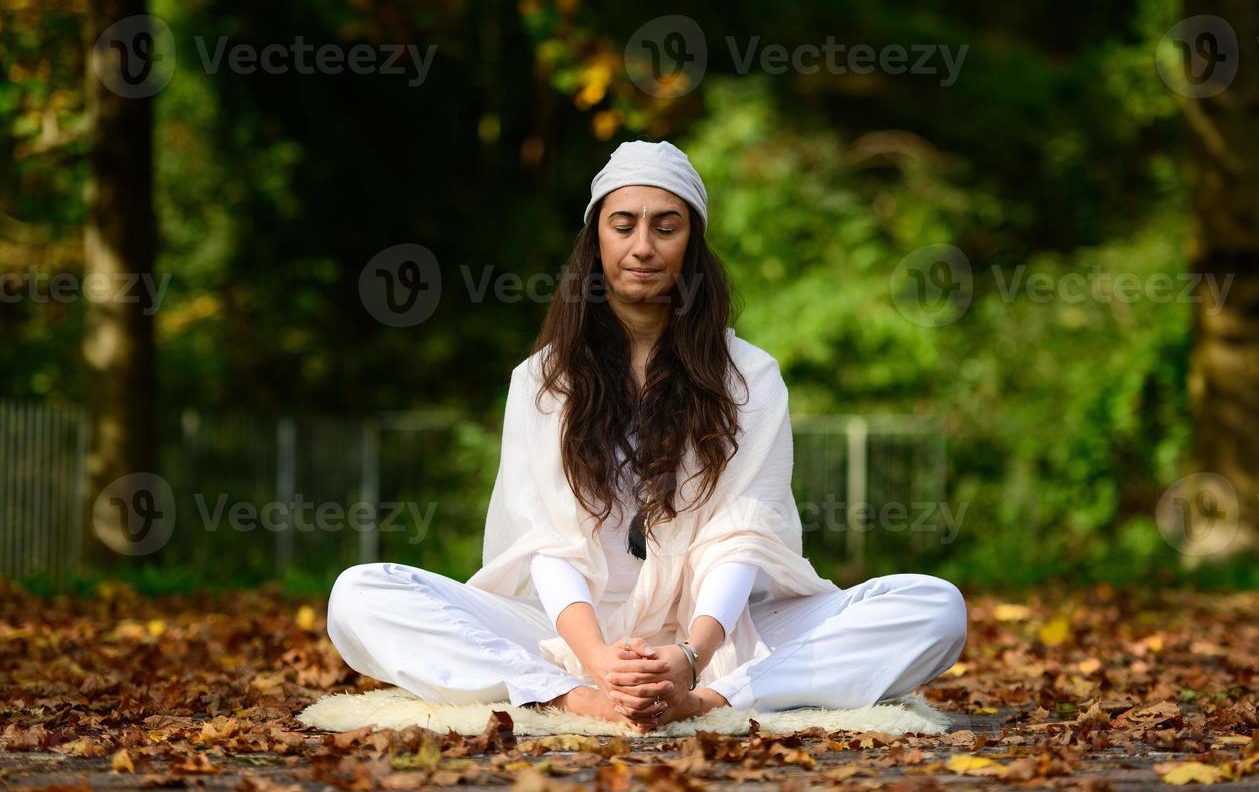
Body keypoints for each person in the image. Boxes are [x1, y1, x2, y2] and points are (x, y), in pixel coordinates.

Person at [326, 139, 969, 733]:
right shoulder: (542, 380)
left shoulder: (751, 377)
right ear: (595, 241)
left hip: (719, 631)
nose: (643, 247)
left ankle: (720, 699)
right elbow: (549, 542)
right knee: (360, 595)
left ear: (692, 243)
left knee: (934, 607)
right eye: (623, 224)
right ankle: (568, 697)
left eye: (666, 227)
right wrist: (599, 665)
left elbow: (740, 535)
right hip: (566, 632)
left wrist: (691, 658)